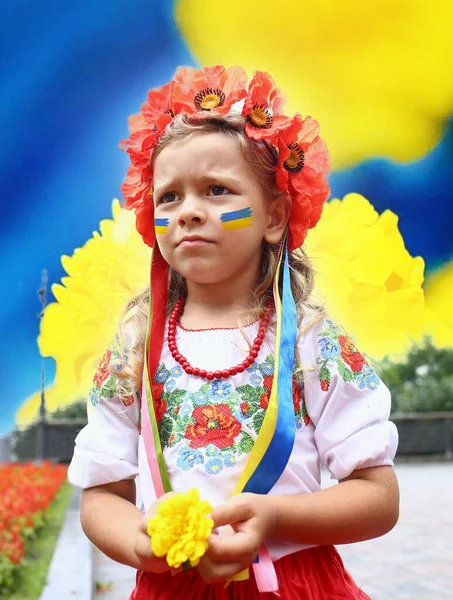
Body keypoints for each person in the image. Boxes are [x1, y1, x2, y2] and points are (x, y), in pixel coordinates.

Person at [68, 65, 399, 599]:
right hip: (171, 586)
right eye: (169, 197)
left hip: (291, 585)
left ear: (274, 217)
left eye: (216, 190)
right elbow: (101, 495)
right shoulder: (134, 349)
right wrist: (140, 542)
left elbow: (378, 498)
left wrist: (275, 517)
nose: (187, 213)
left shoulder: (315, 343)